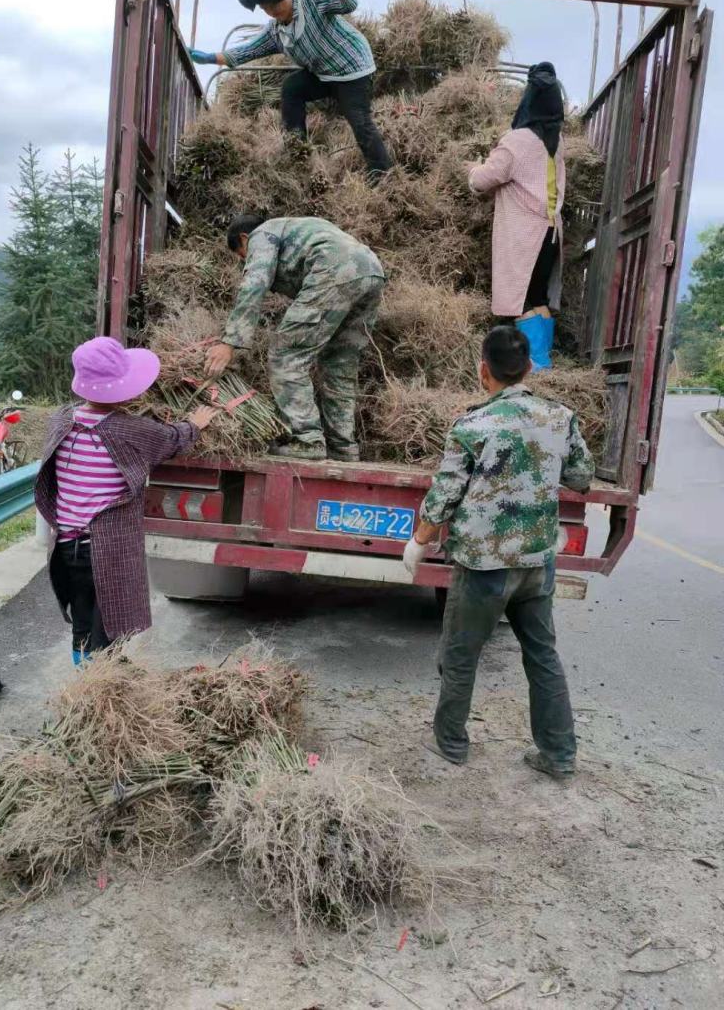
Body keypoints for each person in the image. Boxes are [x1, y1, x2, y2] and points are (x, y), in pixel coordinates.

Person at [403, 325, 594, 778]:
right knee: (543, 655)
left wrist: (419, 541)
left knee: (460, 655)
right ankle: (559, 756)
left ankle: (450, 744)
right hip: (535, 564)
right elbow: (582, 476)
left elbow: (445, 493)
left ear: (482, 371)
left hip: (484, 566)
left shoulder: (472, 424)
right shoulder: (559, 417)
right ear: (530, 368)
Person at [35, 336, 216, 664]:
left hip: (65, 545)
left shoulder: (61, 419)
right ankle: (100, 687)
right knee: (108, 625)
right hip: (105, 548)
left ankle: (84, 675)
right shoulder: (131, 430)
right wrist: (195, 424)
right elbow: (172, 439)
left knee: (83, 618)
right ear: (124, 388)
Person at [205, 214, 385, 462]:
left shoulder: (262, 234)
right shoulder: (297, 228)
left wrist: (229, 342)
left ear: (244, 238)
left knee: (285, 355)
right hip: (372, 271)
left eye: (241, 254)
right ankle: (343, 447)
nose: (243, 260)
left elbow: (255, 283)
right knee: (339, 364)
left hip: (335, 270)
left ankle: (306, 440)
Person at [190, 0, 392, 178]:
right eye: (265, 8)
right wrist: (210, 58)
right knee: (292, 88)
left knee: (359, 120)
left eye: (275, 4)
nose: (272, 11)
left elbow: (348, 3)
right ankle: (297, 149)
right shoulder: (276, 32)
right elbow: (247, 52)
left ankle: (382, 174)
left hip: (353, 69)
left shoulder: (311, 0)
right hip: (324, 74)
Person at [468, 62, 566, 371]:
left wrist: (470, 169)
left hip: (526, 234)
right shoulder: (555, 140)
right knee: (538, 297)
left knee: (522, 301)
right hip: (550, 232)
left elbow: (482, 180)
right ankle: (543, 362)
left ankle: (534, 365)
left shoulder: (518, 141)